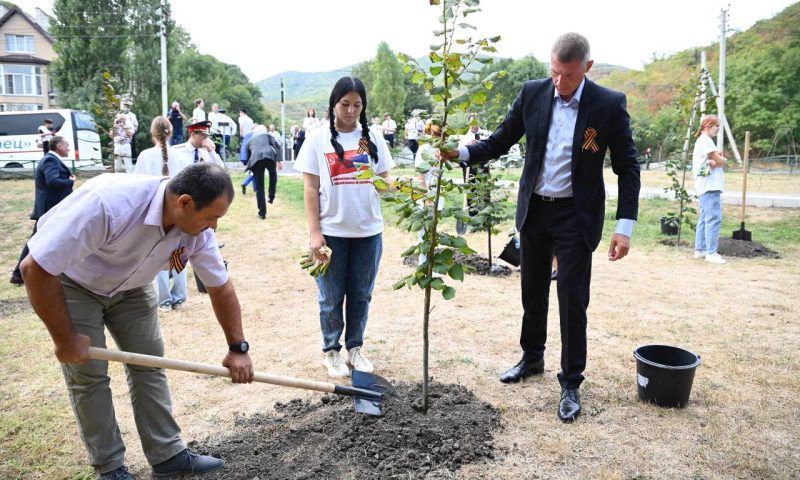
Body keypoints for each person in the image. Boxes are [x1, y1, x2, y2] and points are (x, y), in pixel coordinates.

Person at [442, 33, 640, 422]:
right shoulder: (533, 93)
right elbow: (499, 141)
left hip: (575, 215)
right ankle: (532, 357)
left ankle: (570, 381)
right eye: (554, 73)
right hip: (534, 211)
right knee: (532, 291)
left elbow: (628, 167)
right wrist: (461, 153)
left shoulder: (608, 105)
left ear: (587, 67)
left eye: (567, 76)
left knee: (571, 298)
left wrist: (625, 225)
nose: (559, 83)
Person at [19, 163, 254, 479]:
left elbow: (219, 285)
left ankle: (168, 455)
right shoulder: (108, 203)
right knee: (89, 376)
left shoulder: (198, 231)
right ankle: (111, 467)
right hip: (76, 283)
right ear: (184, 202)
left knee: (150, 365)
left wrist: (237, 347)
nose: (214, 227)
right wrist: (65, 339)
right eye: (212, 217)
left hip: (133, 287)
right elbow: (35, 268)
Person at [294, 76, 395, 378]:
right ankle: (332, 351)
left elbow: (384, 183)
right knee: (330, 296)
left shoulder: (371, 137)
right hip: (332, 235)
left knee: (361, 294)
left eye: (357, 105)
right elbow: (310, 189)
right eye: (345, 104)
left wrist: (399, 186)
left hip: (368, 232)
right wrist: (315, 233)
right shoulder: (318, 139)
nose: (350, 111)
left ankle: (355, 348)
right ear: (334, 104)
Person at [134, 116, 190, 311]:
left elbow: (137, 186)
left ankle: (164, 299)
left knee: (157, 253)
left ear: (152, 133)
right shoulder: (182, 156)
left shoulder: (145, 156)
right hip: (179, 211)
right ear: (171, 132)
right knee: (179, 251)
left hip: (154, 211)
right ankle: (180, 295)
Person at [9, 136, 75, 286]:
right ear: (59, 146)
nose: (69, 148)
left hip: (52, 208)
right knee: (35, 241)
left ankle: (21, 274)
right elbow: (52, 181)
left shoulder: (51, 159)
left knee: (44, 240)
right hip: (49, 209)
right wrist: (70, 181)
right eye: (67, 145)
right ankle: (18, 274)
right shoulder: (50, 160)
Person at [692, 114, 727, 265]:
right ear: (708, 126)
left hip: (705, 186)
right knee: (714, 218)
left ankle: (700, 249)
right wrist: (721, 159)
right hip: (710, 186)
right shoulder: (706, 140)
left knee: (705, 217)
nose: (719, 129)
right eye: (717, 126)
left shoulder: (702, 141)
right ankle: (711, 252)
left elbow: (712, 160)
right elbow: (720, 160)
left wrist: (715, 160)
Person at [245, 124, 283, 219]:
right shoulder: (267, 135)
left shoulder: (249, 141)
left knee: (259, 188)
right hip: (269, 156)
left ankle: (262, 213)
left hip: (256, 160)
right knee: (273, 175)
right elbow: (276, 145)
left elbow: (248, 156)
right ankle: (271, 196)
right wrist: (280, 160)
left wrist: (250, 167)